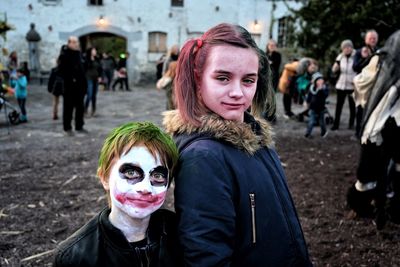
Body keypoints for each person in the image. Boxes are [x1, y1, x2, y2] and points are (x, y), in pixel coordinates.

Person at [163, 23, 311, 266]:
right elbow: (207, 256)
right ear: (198, 80)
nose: (237, 92)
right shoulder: (203, 157)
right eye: (222, 78)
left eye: (248, 80)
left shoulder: (255, 136)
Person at [53, 122, 183, 267]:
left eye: (158, 176)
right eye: (131, 173)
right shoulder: (75, 257)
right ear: (105, 178)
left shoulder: (182, 233)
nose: (145, 188)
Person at [347, 30, 400, 229]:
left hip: (383, 122)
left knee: (375, 164)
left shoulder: (381, 58)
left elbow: (361, 83)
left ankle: (374, 206)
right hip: (387, 121)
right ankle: (389, 208)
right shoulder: (380, 58)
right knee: (390, 165)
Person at [58, 37, 87, 136]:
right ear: (69, 43)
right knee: (68, 108)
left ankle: (79, 125)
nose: (76, 44)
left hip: (79, 86)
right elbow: (61, 71)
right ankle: (67, 127)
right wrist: (71, 79)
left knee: (80, 107)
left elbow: (82, 70)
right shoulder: (64, 55)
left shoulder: (78, 54)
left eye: (77, 42)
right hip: (69, 87)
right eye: (74, 42)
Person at [353, 30, 379, 137]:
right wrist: (365, 58)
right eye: (370, 38)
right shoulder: (359, 52)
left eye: (374, 38)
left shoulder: (379, 51)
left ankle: (371, 131)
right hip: (363, 86)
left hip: (375, 85)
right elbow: (355, 67)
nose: (372, 40)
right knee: (360, 109)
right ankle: (359, 131)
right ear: (365, 40)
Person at [331, 40, 357, 130]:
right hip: (341, 84)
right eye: (345, 47)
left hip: (352, 84)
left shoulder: (356, 56)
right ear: (342, 49)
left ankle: (351, 124)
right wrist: (337, 63)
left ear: (352, 47)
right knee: (339, 106)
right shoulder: (340, 57)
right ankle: (336, 124)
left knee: (352, 106)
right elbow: (333, 70)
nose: (347, 49)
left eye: (349, 47)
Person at [304, 72, 329, 138]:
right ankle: (308, 133)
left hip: (321, 108)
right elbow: (309, 96)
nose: (320, 81)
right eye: (318, 80)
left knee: (322, 122)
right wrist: (307, 102)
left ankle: (323, 132)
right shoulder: (312, 88)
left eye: (321, 80)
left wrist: (321, 90)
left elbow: (325, 95)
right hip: (313, 108)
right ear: (315, 81)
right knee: (311, 121)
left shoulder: (324, 88)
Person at [84, 47, 102, 117]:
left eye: (95, 50)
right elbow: (84, 68)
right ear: (90, 51)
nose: (95, 51)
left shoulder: (97, 59)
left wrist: (100, 76)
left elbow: (100, 69)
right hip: (89, 78)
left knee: (94, 95)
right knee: (89, 95)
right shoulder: (86, 59)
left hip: (96, 79)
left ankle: (93, 110)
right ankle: (85, 109)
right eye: (94, 50)